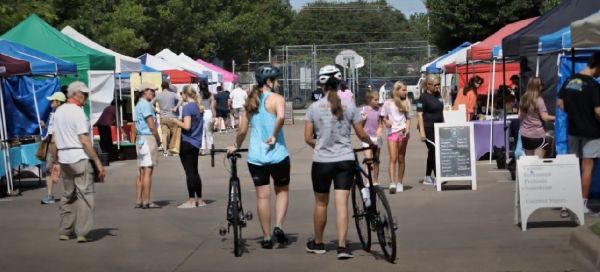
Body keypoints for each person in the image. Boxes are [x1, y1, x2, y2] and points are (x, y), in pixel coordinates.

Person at [304, 65, 374, 260]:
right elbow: (361, 133)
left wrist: (320, 146)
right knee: (342, 203)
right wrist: (372, 142)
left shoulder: (313, 108)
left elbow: (308, 138)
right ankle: (343, 247)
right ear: (340, 83)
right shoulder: (350, 106)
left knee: (321, 203)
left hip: (322, 162)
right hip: (345, 159)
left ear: (322, 85)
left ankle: (318, 243)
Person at [228, 65, 290, 249]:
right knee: (282, 191)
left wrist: (236, 145)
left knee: (262, 197)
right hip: (278, 154)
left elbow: (242, 130)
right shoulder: (278, 98)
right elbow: (280, 118)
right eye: (276, 80)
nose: (278, 83)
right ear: (269, 82)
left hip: (256, 157)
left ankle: (266, 236)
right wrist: (274, 134)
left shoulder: (251, 101)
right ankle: (278, 226)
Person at [52, 81, 105, 243]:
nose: (86, 98)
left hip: (64, 158)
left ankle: (65, 230)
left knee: (68, 194)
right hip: (79, 157)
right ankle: (82, 232)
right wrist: (97, 161)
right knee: (85, 195)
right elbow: (84, 140)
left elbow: (54, 140)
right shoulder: (78, 113)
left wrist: (55, 162)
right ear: (77, 95)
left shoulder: (59, 111)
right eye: (85, 95)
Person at [557, 52, 600, 215]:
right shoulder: (594, 85)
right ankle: (581, 204)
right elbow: (598, 112)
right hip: (592, 132)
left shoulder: (569, 81)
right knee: (587, 168)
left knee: (571, 167)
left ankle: (566, 204)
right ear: (597, 65)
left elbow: (560, 103)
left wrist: (574, 112)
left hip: (573, 130)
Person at [173, 85, 206, 208]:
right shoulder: (199, 107)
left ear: (186, 94)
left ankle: (191, 200)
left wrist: (175, 121)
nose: (181, 96)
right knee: (195, 171)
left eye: (182, 94)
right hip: (196, 142)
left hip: (187, 142)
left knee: (189, 172)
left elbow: (187, 126)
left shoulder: (187, 108)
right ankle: (201, 199)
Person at [134, 82, 161, 209]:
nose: (153, 93)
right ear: (145, 91)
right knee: (148, 171)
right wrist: (158, 138)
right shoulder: (145, 104)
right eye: (152, 90)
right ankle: (147, 201)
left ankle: (139, 200)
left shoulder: (139, 103)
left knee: (141, 171)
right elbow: (151, 124)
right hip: (147, 138)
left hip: (140, 138)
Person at [381, 81, 412, 193]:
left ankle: (400, 182)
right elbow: (383, 116)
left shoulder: (406, 102)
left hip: (403, 132)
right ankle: (392, 183)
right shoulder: (388, 103)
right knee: (393, 158)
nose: (406, 91)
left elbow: (408, 118)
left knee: (401, 158)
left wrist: (407, 129)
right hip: (392, 133)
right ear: (397, 90)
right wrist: (386, 122)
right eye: (403, 89)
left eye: (405, 89)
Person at [417, 74, 444, 186]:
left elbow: (440, 110)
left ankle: (428, 176)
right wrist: (422, 132)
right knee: (434, 150)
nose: (437, 86)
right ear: (428, 85)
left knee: (433, 152)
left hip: (438, 126)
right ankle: (438, 177)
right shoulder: (423, 97)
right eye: (435, 85)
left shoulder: (438, 95)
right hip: (428, 127)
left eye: (438, 84)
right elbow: (419, 115)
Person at [519, 77, 555, 158]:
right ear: (538, 86)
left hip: (525, 135)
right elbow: (545, 117)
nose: (542, 87)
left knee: (530, 162)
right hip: (538, 136)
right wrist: (557, 117)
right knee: (538, 163)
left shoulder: (523, 99)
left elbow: (520, 116)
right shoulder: (539, 100)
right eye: (541, 85)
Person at [40, 91, 66, 205]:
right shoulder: (54, 113)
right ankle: (50, 195)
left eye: (52, 100)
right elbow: (52, 129)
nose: (50, 102)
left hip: (55, 145)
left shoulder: (59, 114)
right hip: (53, 143)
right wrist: (45, 127)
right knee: (51, 170)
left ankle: (53, 195)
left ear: (58, 102)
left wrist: (54, 146)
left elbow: (57, 131)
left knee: (51, 170)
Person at [360, 91, 383, 186]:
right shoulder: (364, 109)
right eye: (375, 100)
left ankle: (375, 181)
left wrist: (380, 130)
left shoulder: (380, 110)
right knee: (368, 160)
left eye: (378, 99)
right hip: (366, 138)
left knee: (376, 160)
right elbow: (360, 126)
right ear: (369, 100)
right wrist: (363, 119)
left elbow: (381, 124)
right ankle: (368, 181)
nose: (377, 101)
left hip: (376, 137)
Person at [155, 82, 180, 155]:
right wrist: (176, 107)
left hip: (163, 117)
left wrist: (157, 111)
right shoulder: (172, 94)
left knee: (164, 134)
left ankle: (165, 151)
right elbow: (181, 99)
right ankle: (173, 149)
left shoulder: (158, 95)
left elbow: (150, 104)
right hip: (172, 116)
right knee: (174, 133)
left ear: (161, 87)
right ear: (168, 87)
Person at [199, 81, 216, 155]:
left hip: (201, 113)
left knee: (201, 132)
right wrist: (215, 116)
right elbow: (212, 107)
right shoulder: (211, 94)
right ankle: (211, 148)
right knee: (209, 132)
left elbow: (197, 105)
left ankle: (202, 149)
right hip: (209, 113)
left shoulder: (198, 95)